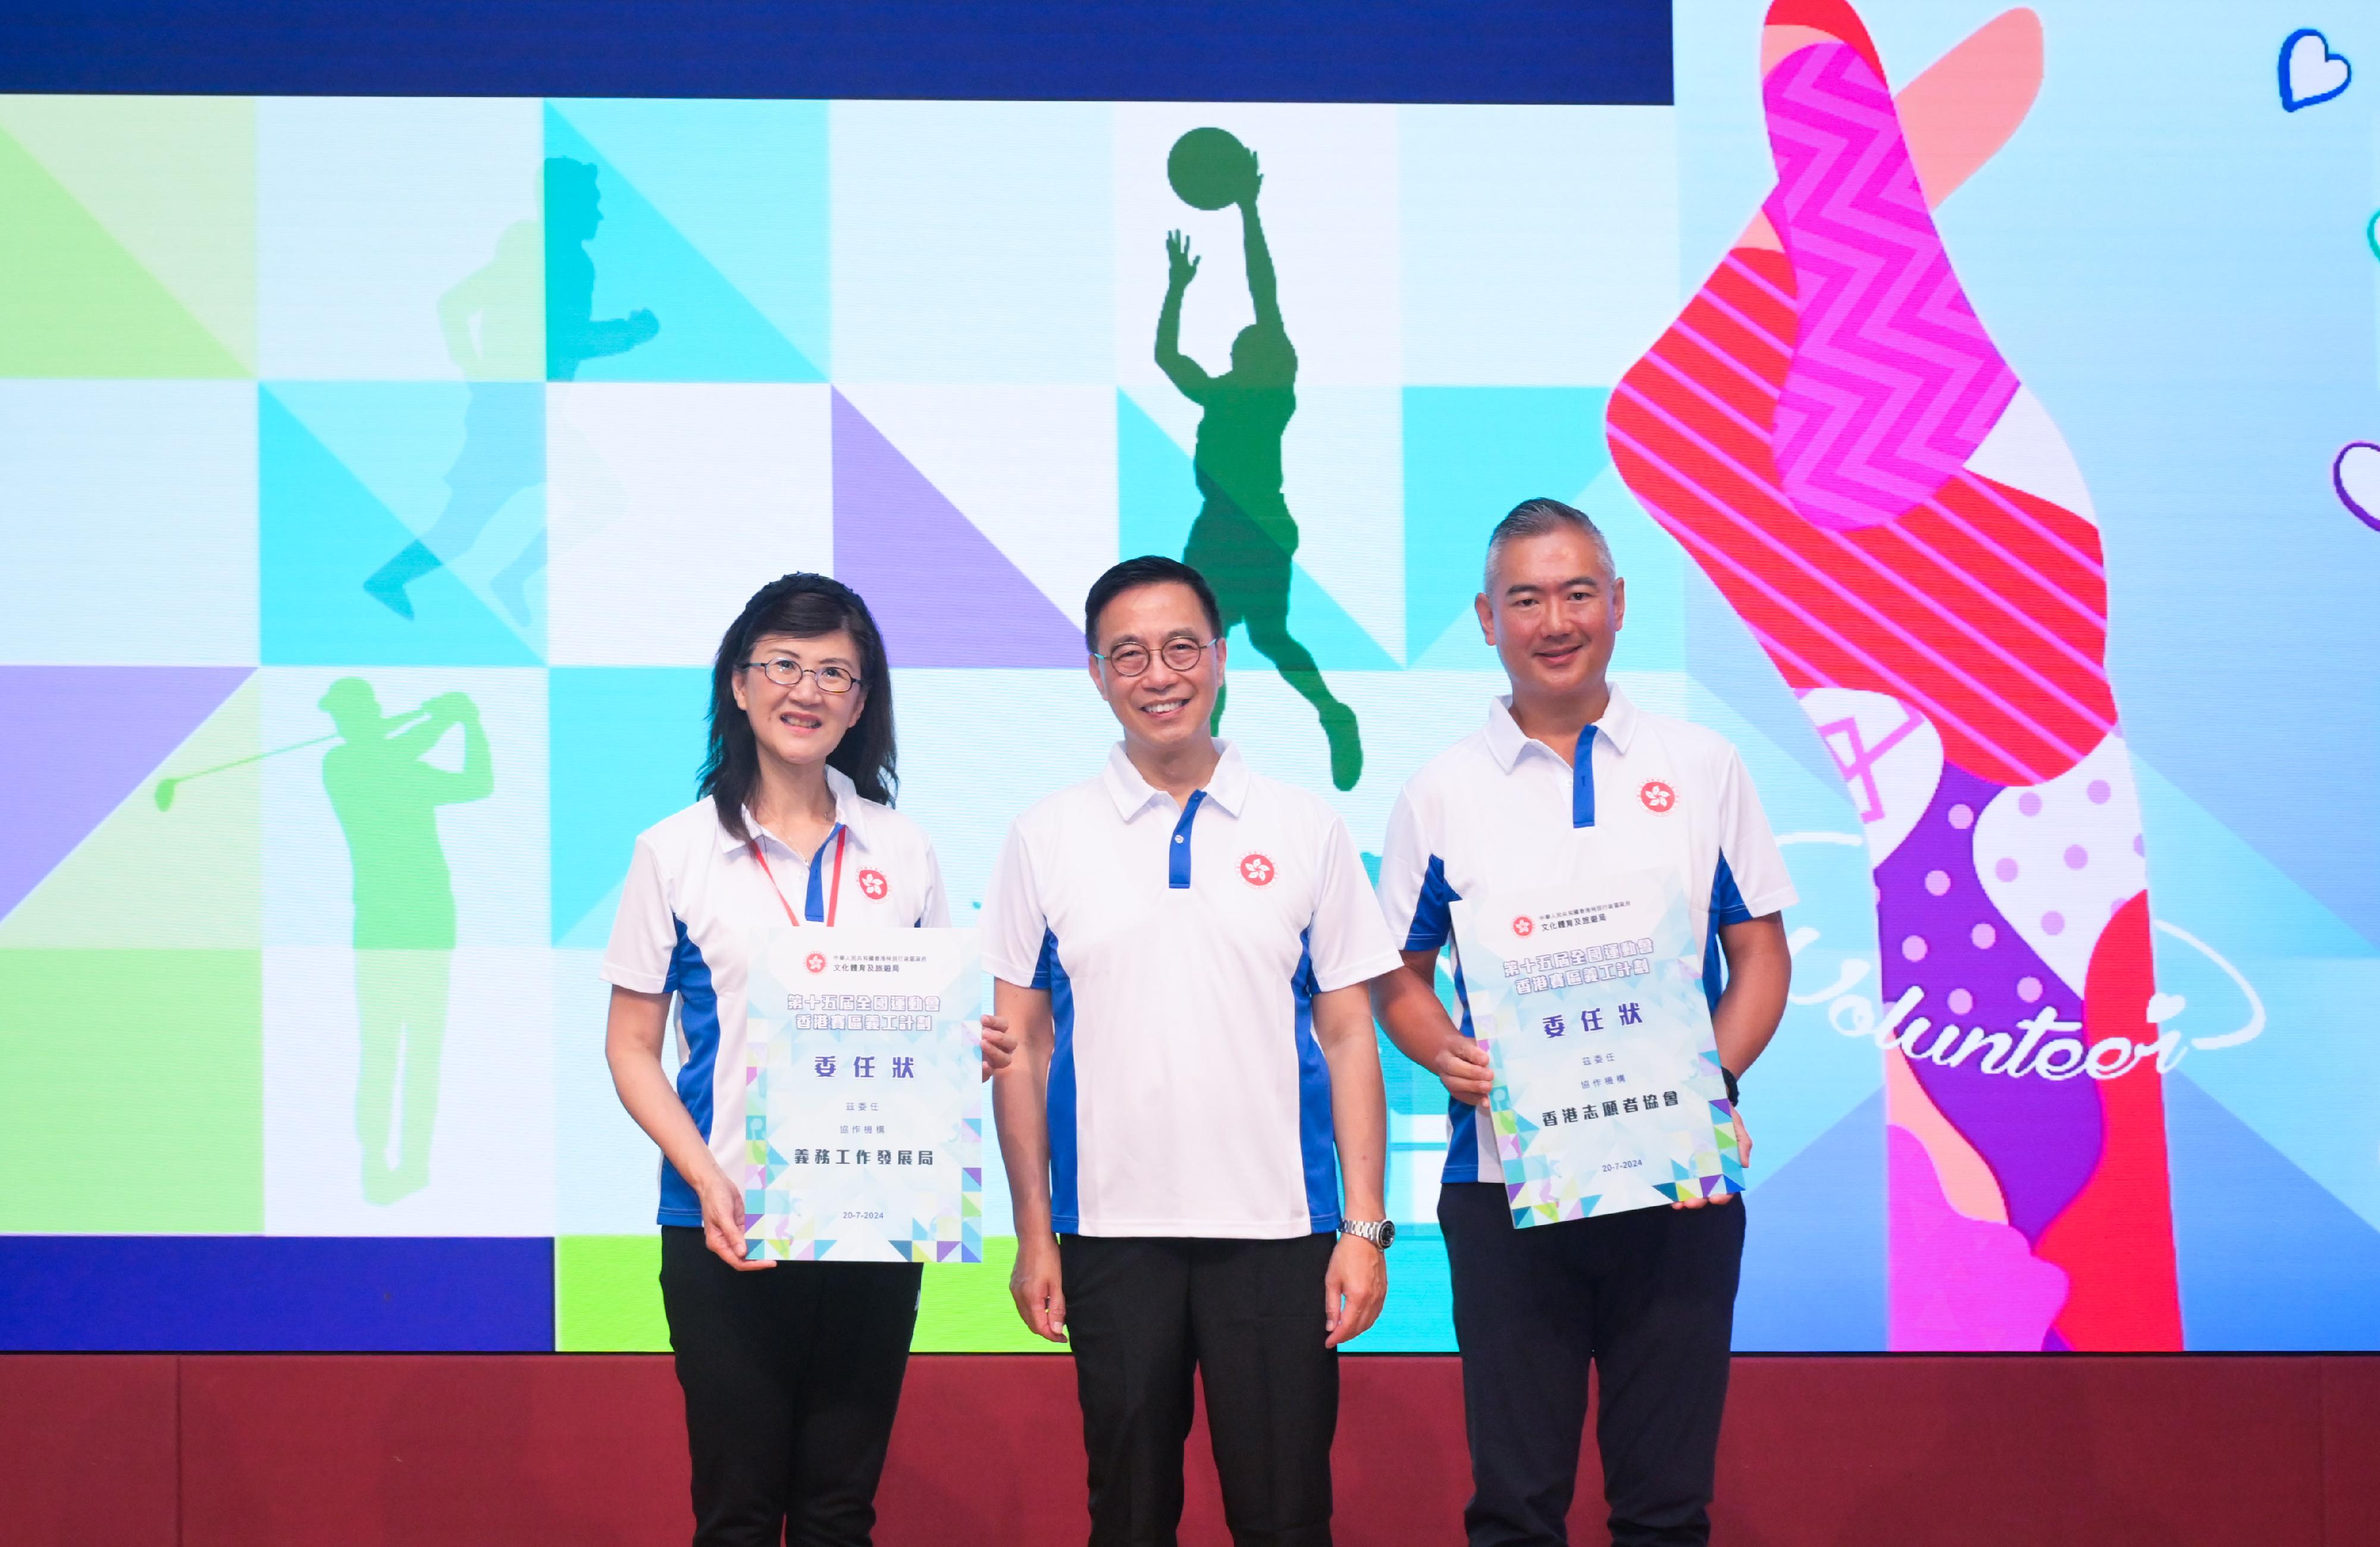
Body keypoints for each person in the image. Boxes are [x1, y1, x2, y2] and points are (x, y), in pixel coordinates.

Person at [1371, 500, 1795, 1547]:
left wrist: (1710, 1081)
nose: (1553, 621)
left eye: (1575, 594)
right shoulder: (1441, 792)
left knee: (1665, 1507)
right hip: (1503, 1186)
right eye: (1526, 598)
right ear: (1485, 618)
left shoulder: (1704, 768)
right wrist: (1444, 1053)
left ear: (1617, 605)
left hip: (1679, 1178)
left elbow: (1762, 957)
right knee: (1515, 1507)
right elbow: (1395, 979)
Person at [985, 555, 1401, 1546]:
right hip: (1109, 1234)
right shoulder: (1045, 836)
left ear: (1219, 660)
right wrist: (1036, 1233)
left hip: (1279, 1232)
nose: (1158, 674)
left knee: (1286, 1513)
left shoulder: (1305, 826)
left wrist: (1365, 1226)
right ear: (1095, 675)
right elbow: (1023, 1049)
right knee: (1127, 1515)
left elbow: (1349, 1033)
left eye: (1181, 649)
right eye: (1128, 655)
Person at [600, 573, 1017, 1547]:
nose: (809, 689)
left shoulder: (903, 849)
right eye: (784, 665)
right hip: (726, 1218)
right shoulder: (675, 853)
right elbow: (629, 1048)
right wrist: (702, 1177)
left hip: (875, 1217)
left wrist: (969, 1046)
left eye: (835, 671)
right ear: (739, 686)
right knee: (737, 1512)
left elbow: (928, 1030)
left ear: (862, 701)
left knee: (839, 1511)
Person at [365, 156, 659, 625]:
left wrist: (478, 374)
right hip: (517, 419)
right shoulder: (556, 260)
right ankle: (420, 579)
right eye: (591, 204)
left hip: (527, 415)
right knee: (470, 528)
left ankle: (444, 579)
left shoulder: (534, 254)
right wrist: (631, 333)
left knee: (467, 528)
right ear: (566, 206)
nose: (600, 216)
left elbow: (460, 305)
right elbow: (564, 337)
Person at [1156, 148, 1363, 791]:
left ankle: (1334, 713)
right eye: (1239, 342)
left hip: (1259, 527)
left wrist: (1248, 208)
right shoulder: (1219, 391)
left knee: (1269, 638)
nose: (1244, 341)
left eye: (1252, 341)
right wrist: (1176, 288)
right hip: (1214, 526)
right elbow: (1167, 356)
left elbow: (1261, 289)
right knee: (1202, 649)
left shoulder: (1270, 389)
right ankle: (1202, 764)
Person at [318, 678, 492, 1205]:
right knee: (385, 1049)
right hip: (391, 926)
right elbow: (412, 761)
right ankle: (375, 1161)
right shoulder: (345, 766)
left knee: (419, 1051)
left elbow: (476, 784)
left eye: (352, 714)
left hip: (422, 923)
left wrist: (457, 721)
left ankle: (413, 1164)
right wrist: (456, 719)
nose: (347, 723)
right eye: (343, 717)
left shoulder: (374, 759)